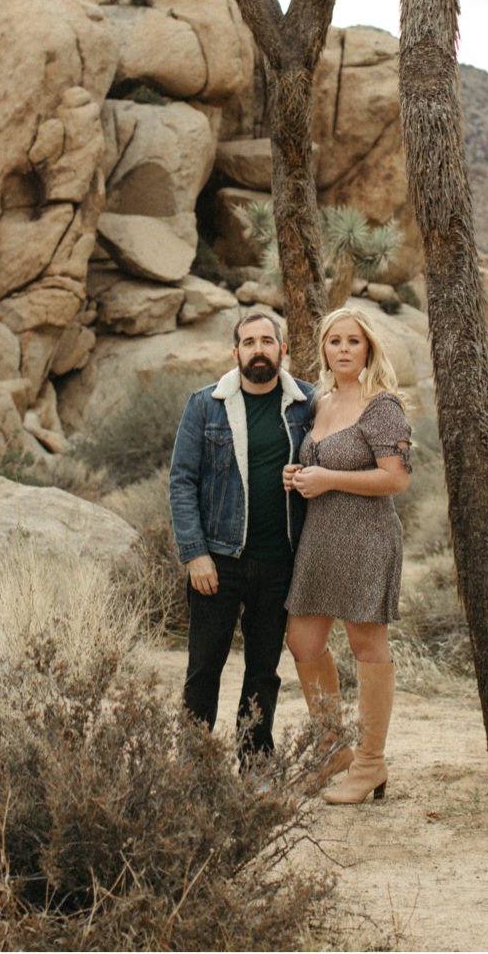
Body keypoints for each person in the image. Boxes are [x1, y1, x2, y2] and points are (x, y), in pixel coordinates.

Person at [167, 308, 316, 761]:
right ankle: (192, 767)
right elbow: (181, 481)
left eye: (266, 342)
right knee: (204, 668)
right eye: (249, 343)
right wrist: (195, 554)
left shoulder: (307, 404)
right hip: (219, 560)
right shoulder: (205, 403)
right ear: (235, 352)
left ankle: (254, 763)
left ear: (281, 350)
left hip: (279, 563)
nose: (258, 350)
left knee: (263, 671)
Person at [284, 305, 414, 806]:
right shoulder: (318, 402)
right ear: (323, 348)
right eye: (334, 341)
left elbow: (397, 478)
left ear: (368, 349)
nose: (343, 349)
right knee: (303, 640)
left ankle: (370, 763)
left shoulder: (382, 406)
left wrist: (331, 479)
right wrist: (296, 478)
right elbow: (313, 466)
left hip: (367, 537)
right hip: (319, 540)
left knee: (366, 644)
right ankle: (333, 749)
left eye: (352, 342)